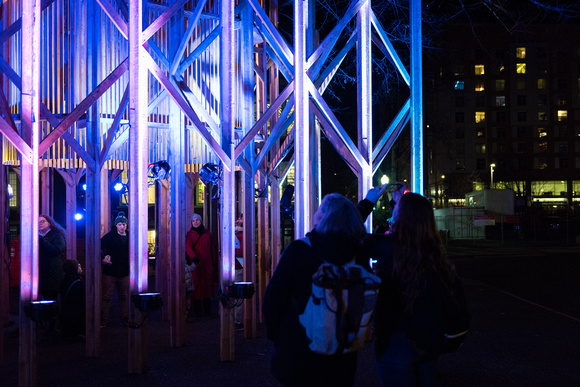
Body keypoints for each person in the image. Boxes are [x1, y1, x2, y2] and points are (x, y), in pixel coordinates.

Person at [262, 193, 368, 387]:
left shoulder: (300, 250)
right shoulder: (358, 254)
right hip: (342, 352)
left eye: (319, 209)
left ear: (323, 217)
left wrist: (277, 337)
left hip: (299, 349)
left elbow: (273, 301)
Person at [367, 192, 460, 386]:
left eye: (396, 208)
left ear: (400, 216)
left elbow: (347, 234)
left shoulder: (387, 247)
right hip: (428, 340)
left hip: (394, 338)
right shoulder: (434, 253)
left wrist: (369, 202)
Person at [100, 211, 130, 327]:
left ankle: (125, 319)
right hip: (111, 271)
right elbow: (98, 247)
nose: (122, 226)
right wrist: (103, 258)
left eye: (124, 224)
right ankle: (103, 321)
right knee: (106, 297)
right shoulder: (109, 236)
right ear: (116, 225)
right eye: (120, 224)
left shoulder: (130, 237)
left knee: (124, 296)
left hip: (124, 271)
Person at [185, 213, 215, 318]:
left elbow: (212, 248)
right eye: (193, 221)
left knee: (207, 287)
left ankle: (207, 310)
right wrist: (193, 257)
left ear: (201, 221)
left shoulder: (208, 233)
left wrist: (213, 261)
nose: (196, 222)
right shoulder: (190, 234)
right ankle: (198, 312)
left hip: (207, 263)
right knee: (197, 287)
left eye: (197, 220)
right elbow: (188, 247)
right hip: (196, 264)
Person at [38, 214, 66, 301]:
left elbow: (55, 251)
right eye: (38, 222)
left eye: (42, 221)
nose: (40, 223)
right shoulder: (38, 238)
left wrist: (42, 240)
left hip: (52, 273)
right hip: (41, 274)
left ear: (50, 223)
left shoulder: (57, 235)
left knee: (50, 300)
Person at [60, 259, 85, 338]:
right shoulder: (79, 283)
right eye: (79, 266)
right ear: (75, 269)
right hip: (77, 318)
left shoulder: (64, 281)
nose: (81, 268)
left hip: (67, 318)